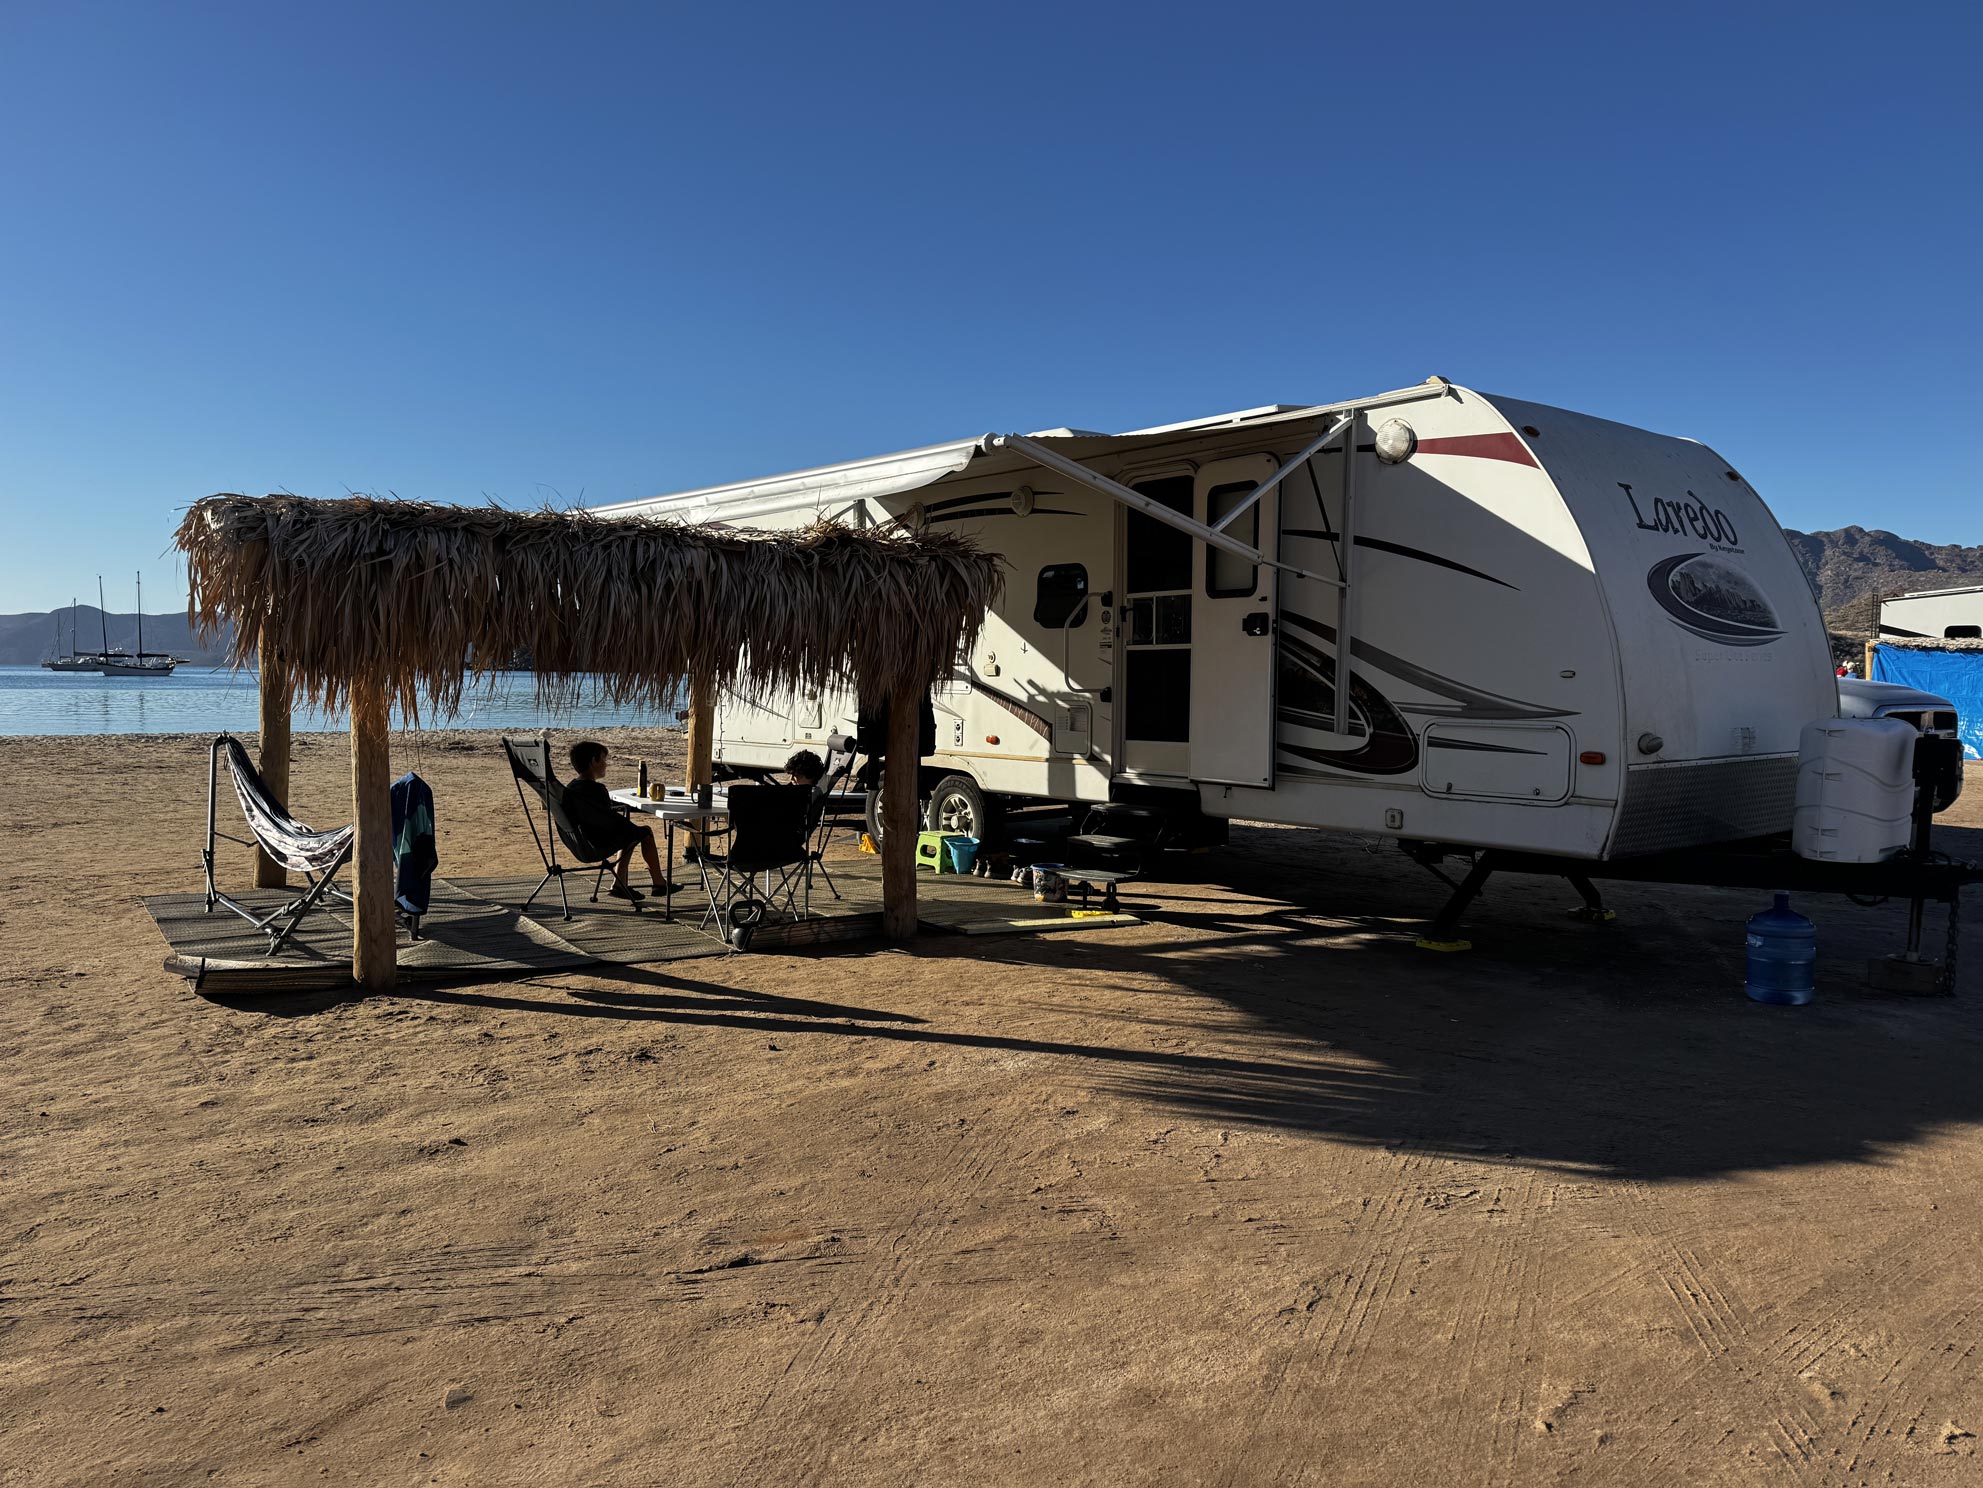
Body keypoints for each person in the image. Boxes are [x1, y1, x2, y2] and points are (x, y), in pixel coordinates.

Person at [565, 740, 673, 902]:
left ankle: (619, 883)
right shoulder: (597, 790)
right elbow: (609, 821)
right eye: (603, 760)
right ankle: (659, 882)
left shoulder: (571, 788)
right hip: (598, 843)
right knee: (644, 832)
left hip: (579, 842)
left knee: (630, 833)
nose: (605, 764)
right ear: (593, 762)